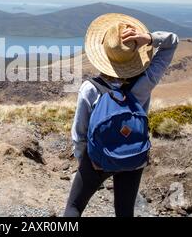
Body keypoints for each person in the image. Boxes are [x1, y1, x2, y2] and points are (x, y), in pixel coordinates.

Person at [64, 13, 179, 217]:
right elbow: (172, 42)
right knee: (125, 212)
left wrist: (85, 163)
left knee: (74, 207)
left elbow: (79, 131)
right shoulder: (146, 82)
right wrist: (149, 39)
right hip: (133, 157)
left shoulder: (90, 88)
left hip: (97, 159)